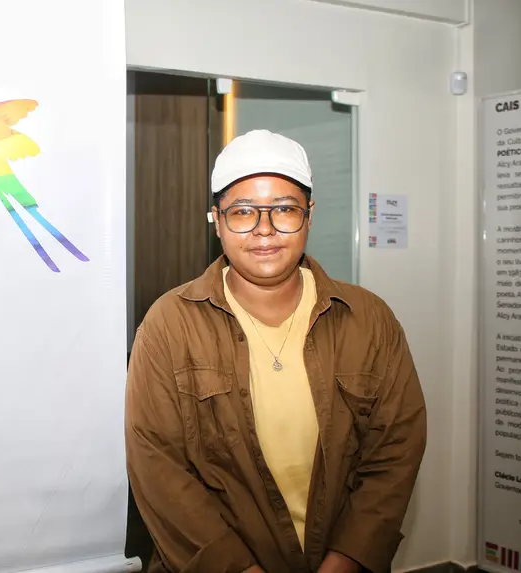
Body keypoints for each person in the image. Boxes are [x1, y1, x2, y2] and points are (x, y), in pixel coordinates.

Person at [125, 130, 427, 573]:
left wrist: (347, 559)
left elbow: (396, 450)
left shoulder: (369, 320)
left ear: (309, 216)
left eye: (284, 209)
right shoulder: (169, 325)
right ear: (216, 220)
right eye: (242, 212)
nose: (264, 229)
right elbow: (159, 470)